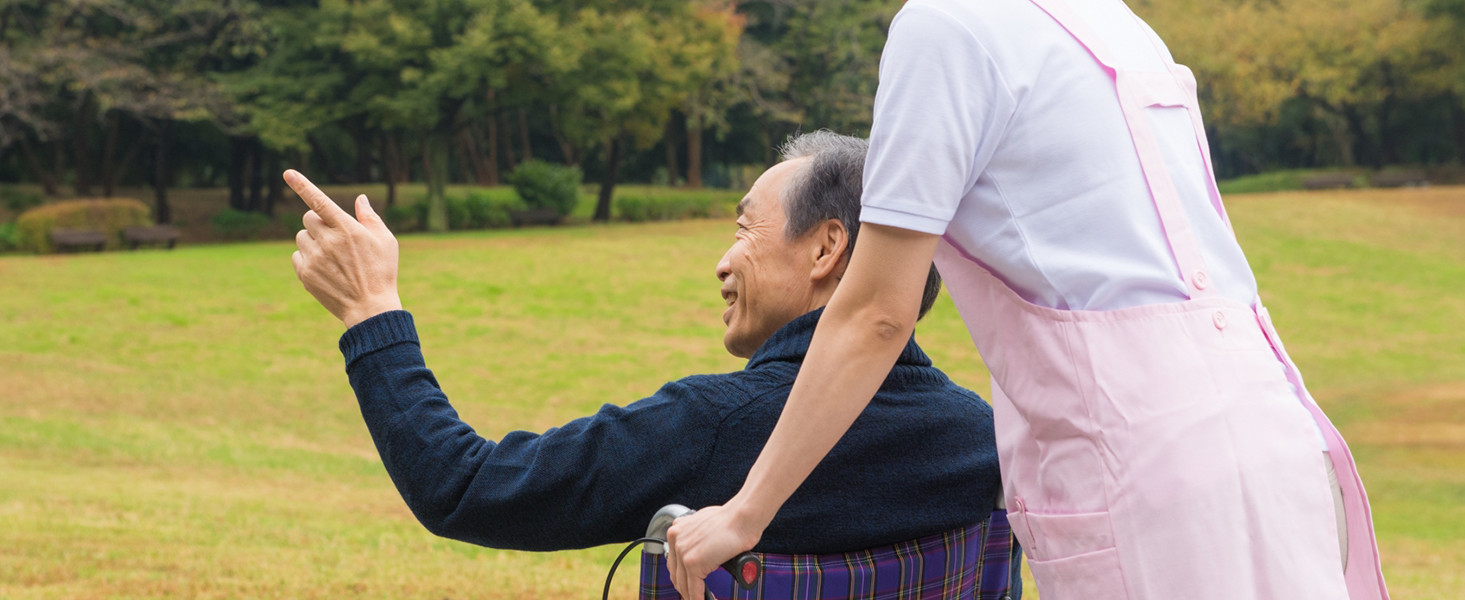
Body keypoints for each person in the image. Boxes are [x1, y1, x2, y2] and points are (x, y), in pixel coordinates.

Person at [663, 1, 1389, 600]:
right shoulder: (1116, 23)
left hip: (1141, 462)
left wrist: (746, 512)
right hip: (1270, 430)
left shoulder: (941, 27)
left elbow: (876, 311)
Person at [284, 131, 1015, 599]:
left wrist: (372, 310)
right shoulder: (983, 439)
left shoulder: (716, 429)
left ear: (826, 250)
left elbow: (464, 487)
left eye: (743, 228)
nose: (723, 260)